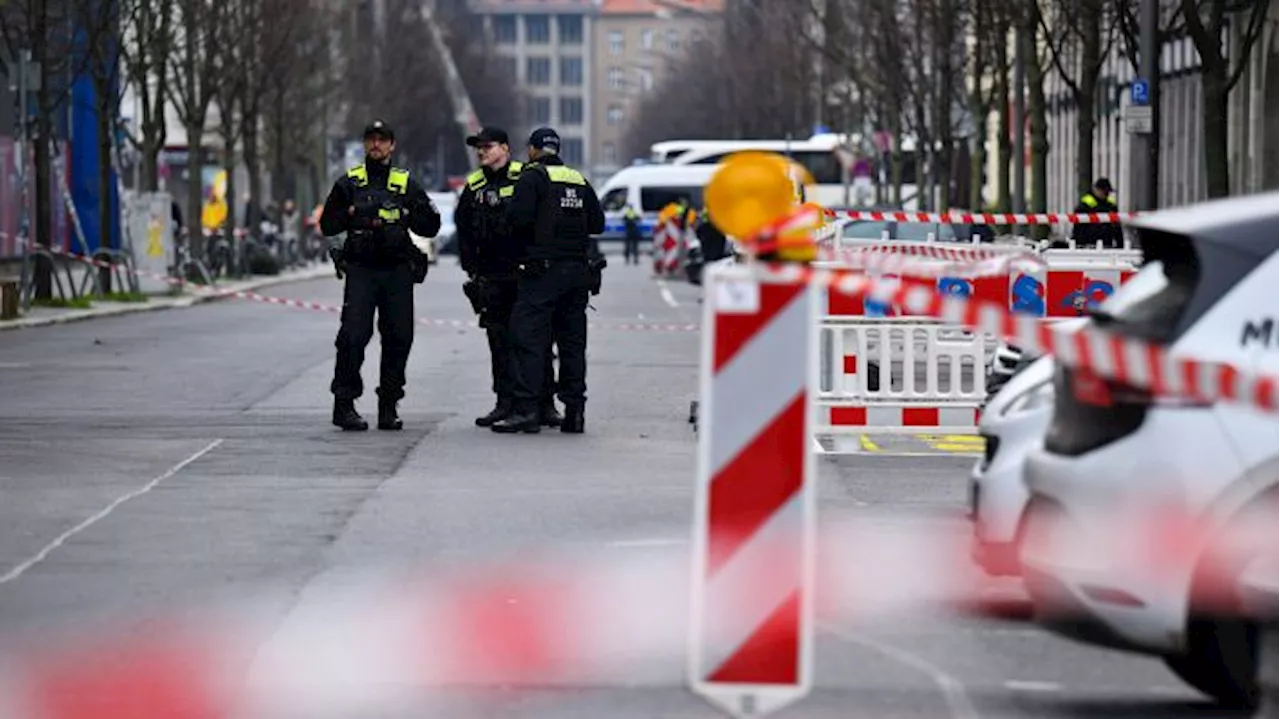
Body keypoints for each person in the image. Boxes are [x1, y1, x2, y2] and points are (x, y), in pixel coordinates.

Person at [319, 119, 441, 431]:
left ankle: (389, 404)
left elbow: (428, 227)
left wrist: (415, 213)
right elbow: (328, 225)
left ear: (392, 145)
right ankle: (344, 404)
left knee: (399, 339)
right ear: (364, 144)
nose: (376, 145)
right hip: (361, 270)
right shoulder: (350, 183)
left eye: (382, 140)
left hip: (397, 270)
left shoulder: (405, 183)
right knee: (352, 337)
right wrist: (348, 216)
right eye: (371, 139)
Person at [492, 127, 605, 435]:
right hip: (577, 273)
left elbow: (516, 220)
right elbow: (597, 222)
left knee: (527, 338)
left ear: (532, 150)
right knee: (572, 343)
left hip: (541, 273)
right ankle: (574, 413)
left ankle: (527, 410)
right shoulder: (577, 178)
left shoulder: (532, 177)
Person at [454, 126, 560, 429]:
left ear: (505, 148)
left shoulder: (527, 176)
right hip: (491, 275)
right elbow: (464, 228)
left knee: (535, 339)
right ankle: (505, 402)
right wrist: (471, 268)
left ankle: (545, 403)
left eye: (487, 147)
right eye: (479, 148)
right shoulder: (474, 185)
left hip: (526, 273)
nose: (482, 152)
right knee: (498, 340)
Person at [1071, 177, 1124, 249]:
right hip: (1088, 244)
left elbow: (1117, 227)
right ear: (1096, 190)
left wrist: (1120, 245)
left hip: (1106, 244)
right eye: (1104, 192)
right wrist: (1079, 244)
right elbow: (1078, 227)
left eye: (1107, 192)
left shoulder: (1111, 205)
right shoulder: (1086, 203)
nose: (1106, 195)